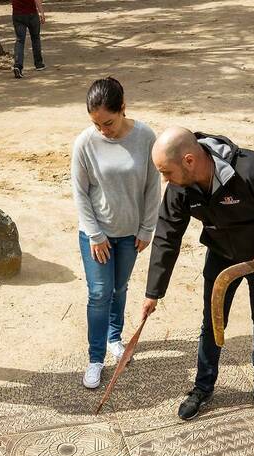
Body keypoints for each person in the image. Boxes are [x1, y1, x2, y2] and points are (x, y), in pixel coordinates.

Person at [141, 127, 254, 420]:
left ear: (189, 160)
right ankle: (203, 387)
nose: (165, 180)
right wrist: (154, 292)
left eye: (166, 172)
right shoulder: (181, 187)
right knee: (212, 321)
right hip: (221, 257)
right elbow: (168, 235)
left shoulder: (251, 169)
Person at [71, 77, 161, 389]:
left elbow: (153, 185)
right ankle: (96, 357)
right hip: (97, 235)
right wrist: (95, 235)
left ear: (123, 108)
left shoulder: (145, 136)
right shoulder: (85, 142)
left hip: (130, 233)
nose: (103, 131)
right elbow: (80, 193)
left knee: (119, 288)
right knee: (99, 294)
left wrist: (147, 227)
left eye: (108, 123)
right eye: (96, 124)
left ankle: (114, 337)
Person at [11, 0, 46, 79]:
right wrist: (41, 12)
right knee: (35, 38)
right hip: (32, 14)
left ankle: (18, 65)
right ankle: (39, 64)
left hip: (18, 14)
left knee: (20, 40)